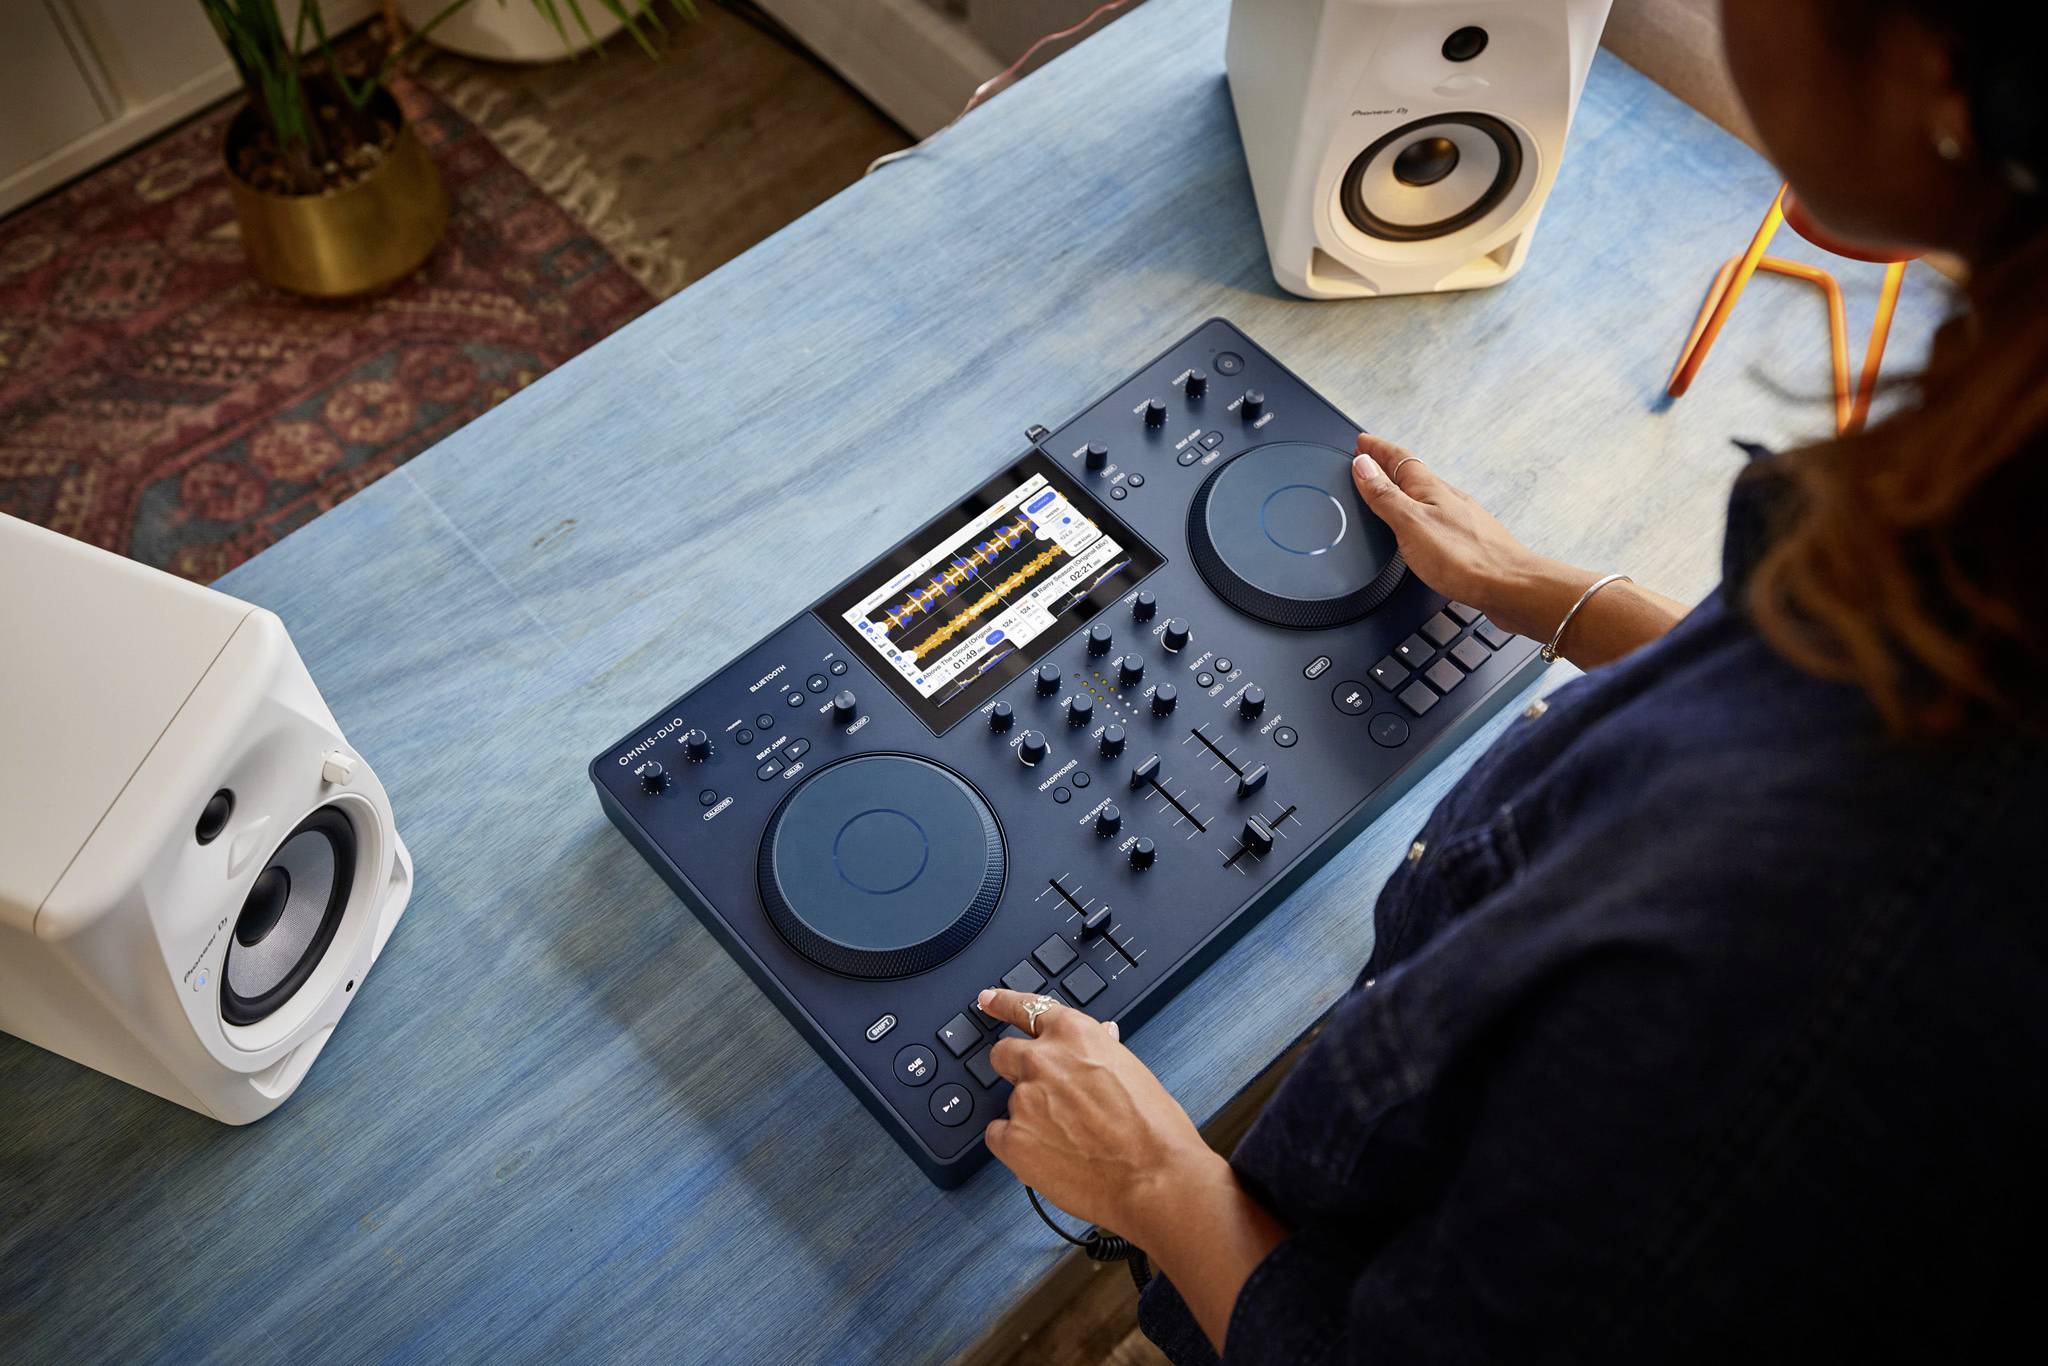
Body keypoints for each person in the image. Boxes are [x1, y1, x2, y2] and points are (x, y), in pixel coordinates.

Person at [971, 1, 2047, 1359]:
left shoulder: (1820, 952)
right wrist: (1549, 594)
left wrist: (1154, 1184)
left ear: (1929, 62)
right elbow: (1860, 690)